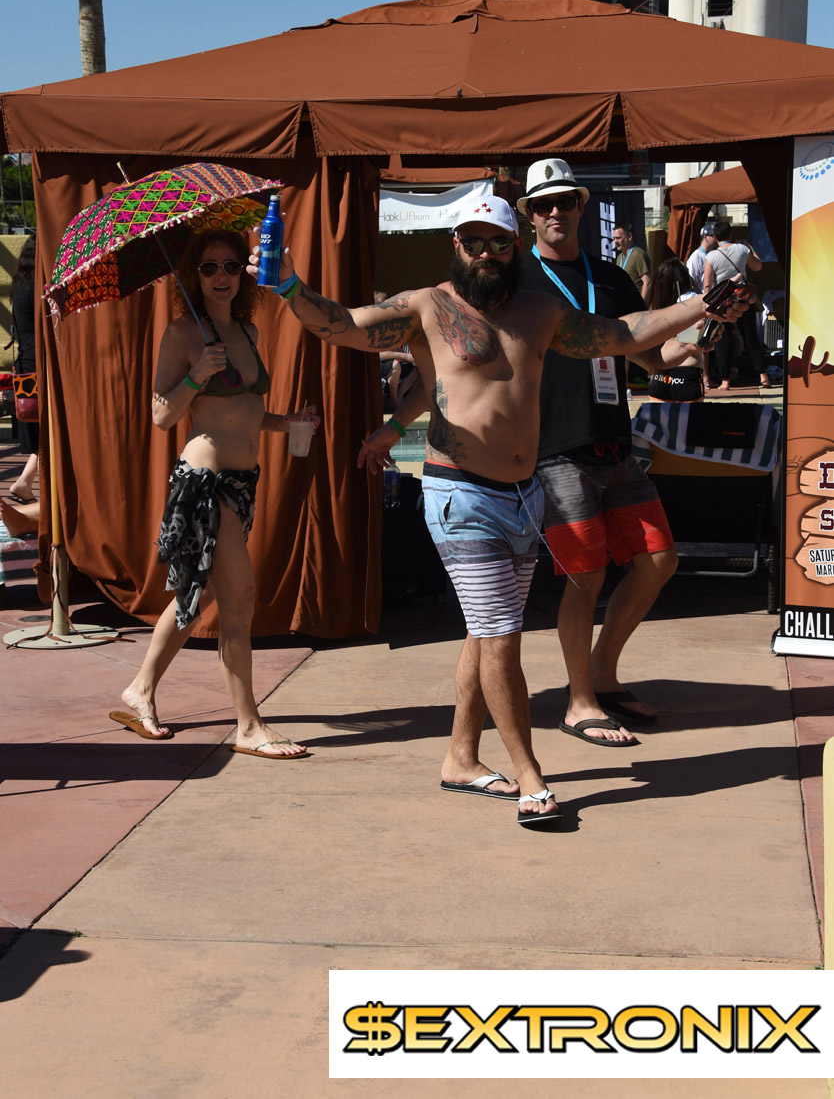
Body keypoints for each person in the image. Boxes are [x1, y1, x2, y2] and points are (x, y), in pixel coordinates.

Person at [253, 194, 747, 823]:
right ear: (456, 246)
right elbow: (344, 325)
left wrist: (701, 305)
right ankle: (531, 778)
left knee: (484, 637)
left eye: (498, 243)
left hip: (523, 495)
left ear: (516, 249)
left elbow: (623, 335)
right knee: (501, 641)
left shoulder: (541, 312)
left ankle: (461, 757)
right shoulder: (427, 306)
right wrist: (290, 285)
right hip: (459, 495)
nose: (485, 253)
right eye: (473, 242)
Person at [513, 159, 728, 748]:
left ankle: (603, 675)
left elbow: (651, 359)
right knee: (584, 575)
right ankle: (579, 702)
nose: (555, 212)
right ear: (528, 215)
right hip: (553, 449)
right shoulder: (514, 279)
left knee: (659, 560)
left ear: (583, 206)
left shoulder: (607, 275)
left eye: (565, 201)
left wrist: (708, 331)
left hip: (614, 444)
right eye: (542, 205)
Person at [110, 229, 318, 758]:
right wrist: (196, 377)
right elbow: (162, 415)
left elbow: (246, 412)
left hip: (242, 483)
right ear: (193, 276)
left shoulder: (245, 330)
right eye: (208, 268)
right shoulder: (183, 334)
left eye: (229, 266)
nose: (221, 276)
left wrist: (287, 421)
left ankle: (141, 688)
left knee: (198, 593)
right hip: (205, 483)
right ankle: (248, 725)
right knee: (239, 598)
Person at [703, 219, 769, 392]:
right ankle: (763, 375)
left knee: (724, 340)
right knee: (750, 336)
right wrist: (751, 247)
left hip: (723, 302)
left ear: (715, 237)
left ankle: (725, 380)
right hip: (743, 298)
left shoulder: (711, 256)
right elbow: (758, 266)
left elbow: (708, 286)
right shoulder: (742, 249)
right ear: (731, 234)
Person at [7, 236, 39, 504]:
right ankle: (23, 482)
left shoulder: (18, 288)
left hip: (24, 368)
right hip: (40, 368)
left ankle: (24, 483)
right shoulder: (37, 289)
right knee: (50, 432)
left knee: (40, 433)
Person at [646, 258, 706, 402]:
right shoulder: (693, 304)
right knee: (691, 424)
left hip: (659, 376)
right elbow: (694, 340)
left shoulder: (653, 308)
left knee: (659, 424)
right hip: (687, 373)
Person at [613, 221, 651, 300]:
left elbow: (647, 282)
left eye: (618, 238)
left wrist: (642, 306)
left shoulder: (638, 255)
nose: (615, 241)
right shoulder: (619, 258)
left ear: (629, 236)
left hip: (636, 306)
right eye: (614, 238)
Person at [684, 221, 718, 294]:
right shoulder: (696, 257)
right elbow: (692, 282)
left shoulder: (714, 255)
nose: (716, 238)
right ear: (705, 237)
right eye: (713, 235)